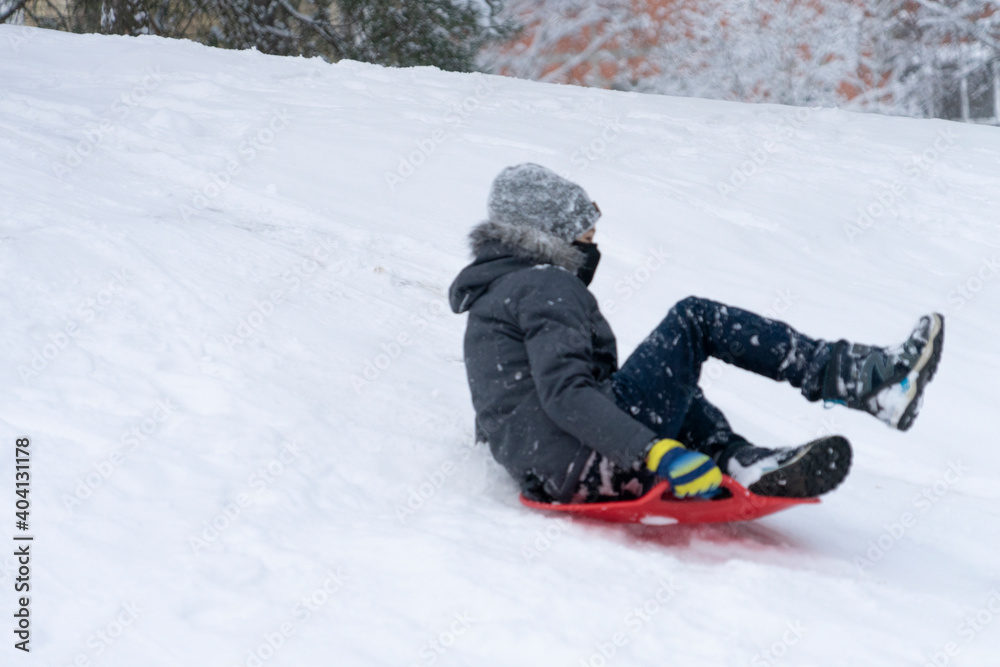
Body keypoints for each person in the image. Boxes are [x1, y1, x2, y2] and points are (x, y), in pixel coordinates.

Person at [448, 164, 944, 504]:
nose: (591, 248)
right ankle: (867, 380)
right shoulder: (544, 283)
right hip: (591, 460)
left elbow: (506, 404)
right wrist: (652, 452)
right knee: (694, 320)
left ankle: (741, 461)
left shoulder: (494, 298)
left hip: (559, 468)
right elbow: (566, 393)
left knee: (671, 379)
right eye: (584, 238)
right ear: (548, 233)